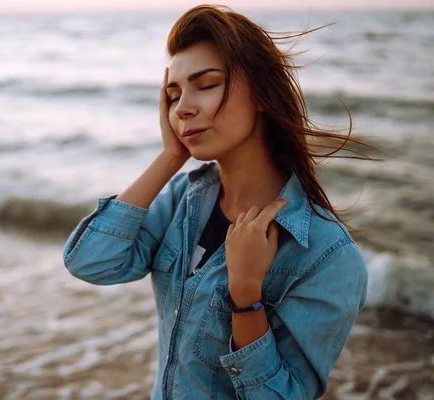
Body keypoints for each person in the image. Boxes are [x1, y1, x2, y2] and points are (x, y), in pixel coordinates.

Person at [63, 5, 375, 399]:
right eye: (173, 95)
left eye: (206, 84)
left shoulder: (326, 255)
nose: (182, 108)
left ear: (262, 91)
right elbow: (91, 260)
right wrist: (170, 157)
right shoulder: (183, 201)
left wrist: (245, 296)